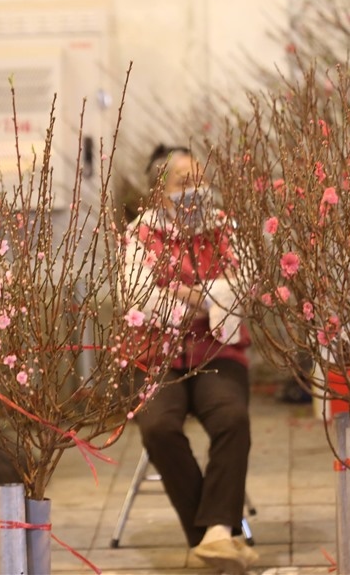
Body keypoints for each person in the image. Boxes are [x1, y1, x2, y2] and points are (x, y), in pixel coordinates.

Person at [121, 144, 258, 575]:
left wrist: (187, 293)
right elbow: (139, 300)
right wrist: (206, 298)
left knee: (232, 418)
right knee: (159, 427)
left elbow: (244, 287)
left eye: (201, 181)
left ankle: (216, 533)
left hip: (218, 351)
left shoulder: (225, 228)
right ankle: (213, 537)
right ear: (160, 191)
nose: (196, 191)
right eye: (185, 183)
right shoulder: (139, 235)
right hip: (154, 358)